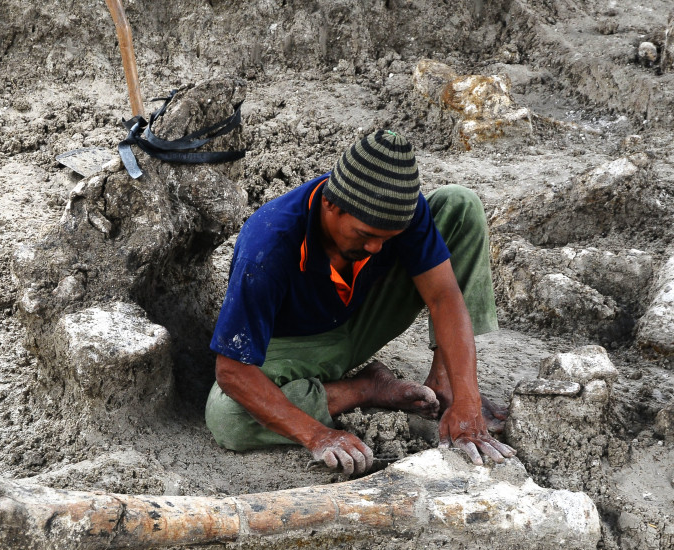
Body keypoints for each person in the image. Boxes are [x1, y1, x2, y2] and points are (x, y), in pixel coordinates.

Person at [205, 130, 515, 474]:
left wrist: (468, 398)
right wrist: (319, 435)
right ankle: (365, 387)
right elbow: (232, 370)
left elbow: (444, 297)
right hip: (298, 345)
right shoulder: (267, 248)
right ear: (330, 204)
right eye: (365, 235)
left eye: (388, 239)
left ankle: (443, 383)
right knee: (226, 416)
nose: (375, 249)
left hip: (366, 315)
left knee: (460, 205)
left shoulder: (395, 214)